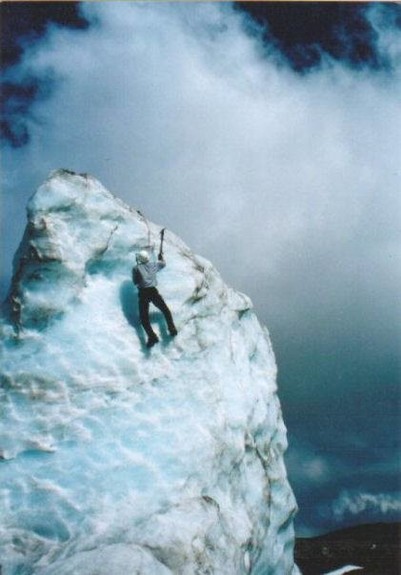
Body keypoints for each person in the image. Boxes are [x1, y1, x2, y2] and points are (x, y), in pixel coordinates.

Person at [132, 248, 177, 348]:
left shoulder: (136, 268)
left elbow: (135, 282)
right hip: (153, 292)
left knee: (144, 318)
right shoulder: (153, 265)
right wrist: (160, 257)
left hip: (143, 294)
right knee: (165, 310)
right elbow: (163, 264)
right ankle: (172, 328)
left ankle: (152, 337)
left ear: (139, 259)